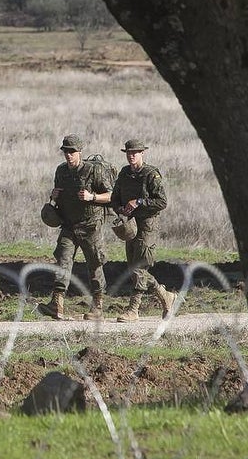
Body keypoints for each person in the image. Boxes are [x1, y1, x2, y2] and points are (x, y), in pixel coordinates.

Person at [37, 135, 113, 321]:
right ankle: (57, 303)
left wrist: (92, 197)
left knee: (94, 263)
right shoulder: (61, 171)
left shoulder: (93, 171)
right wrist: (53, 196)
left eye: (72, 151)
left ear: (80, 152)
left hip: (91, 225)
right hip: (69, 225)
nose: (68, 155)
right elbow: (58, 198)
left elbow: (111, 195)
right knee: (62, 260)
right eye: (66, 151)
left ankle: (97, 305)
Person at [110, 138, 175, 322]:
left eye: (135, 153)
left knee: (140, 266)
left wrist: (139, 202)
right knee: (133, 268)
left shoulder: (150, 174)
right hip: (129, 225)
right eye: (129, 153)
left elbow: (162, 202)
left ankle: (133, 310)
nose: (131, 156)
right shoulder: (124, 173)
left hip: (147, 225)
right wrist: (121, 209)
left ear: (142, 154)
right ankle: (165, 295)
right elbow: (114, 198)